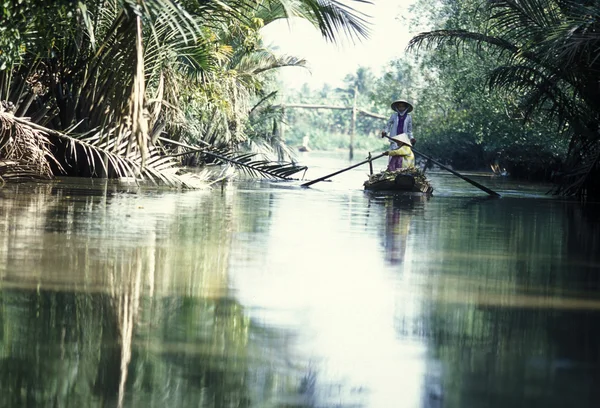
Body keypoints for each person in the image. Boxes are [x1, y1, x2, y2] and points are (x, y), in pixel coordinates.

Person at [381, 98, 417, 171]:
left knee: (402, 157)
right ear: (397, 107)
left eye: (402, 106)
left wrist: (412, 138)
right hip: (394, 139)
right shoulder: (394, 116)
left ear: (405, 107)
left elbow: (409, 130)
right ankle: (391, 170)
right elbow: (388, 125)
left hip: (404, 141)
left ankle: (402, 170)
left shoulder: (409, 117)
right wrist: (385, 132)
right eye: (399, 106)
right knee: (392, 156)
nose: (401, 108)